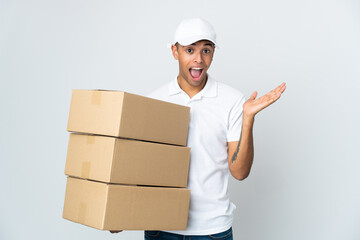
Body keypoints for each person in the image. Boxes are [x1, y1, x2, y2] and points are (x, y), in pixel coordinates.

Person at [112, 18, 286, 240]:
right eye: (189, 49)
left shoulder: (232, 100)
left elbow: (240, 172)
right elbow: (140, 166)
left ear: (213, 53)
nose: (198, 58)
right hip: (161, 228)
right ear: (175, 52)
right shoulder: (154, 101)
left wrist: (248, 118)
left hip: (212, 230)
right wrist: (120, 212)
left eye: (206, 50)